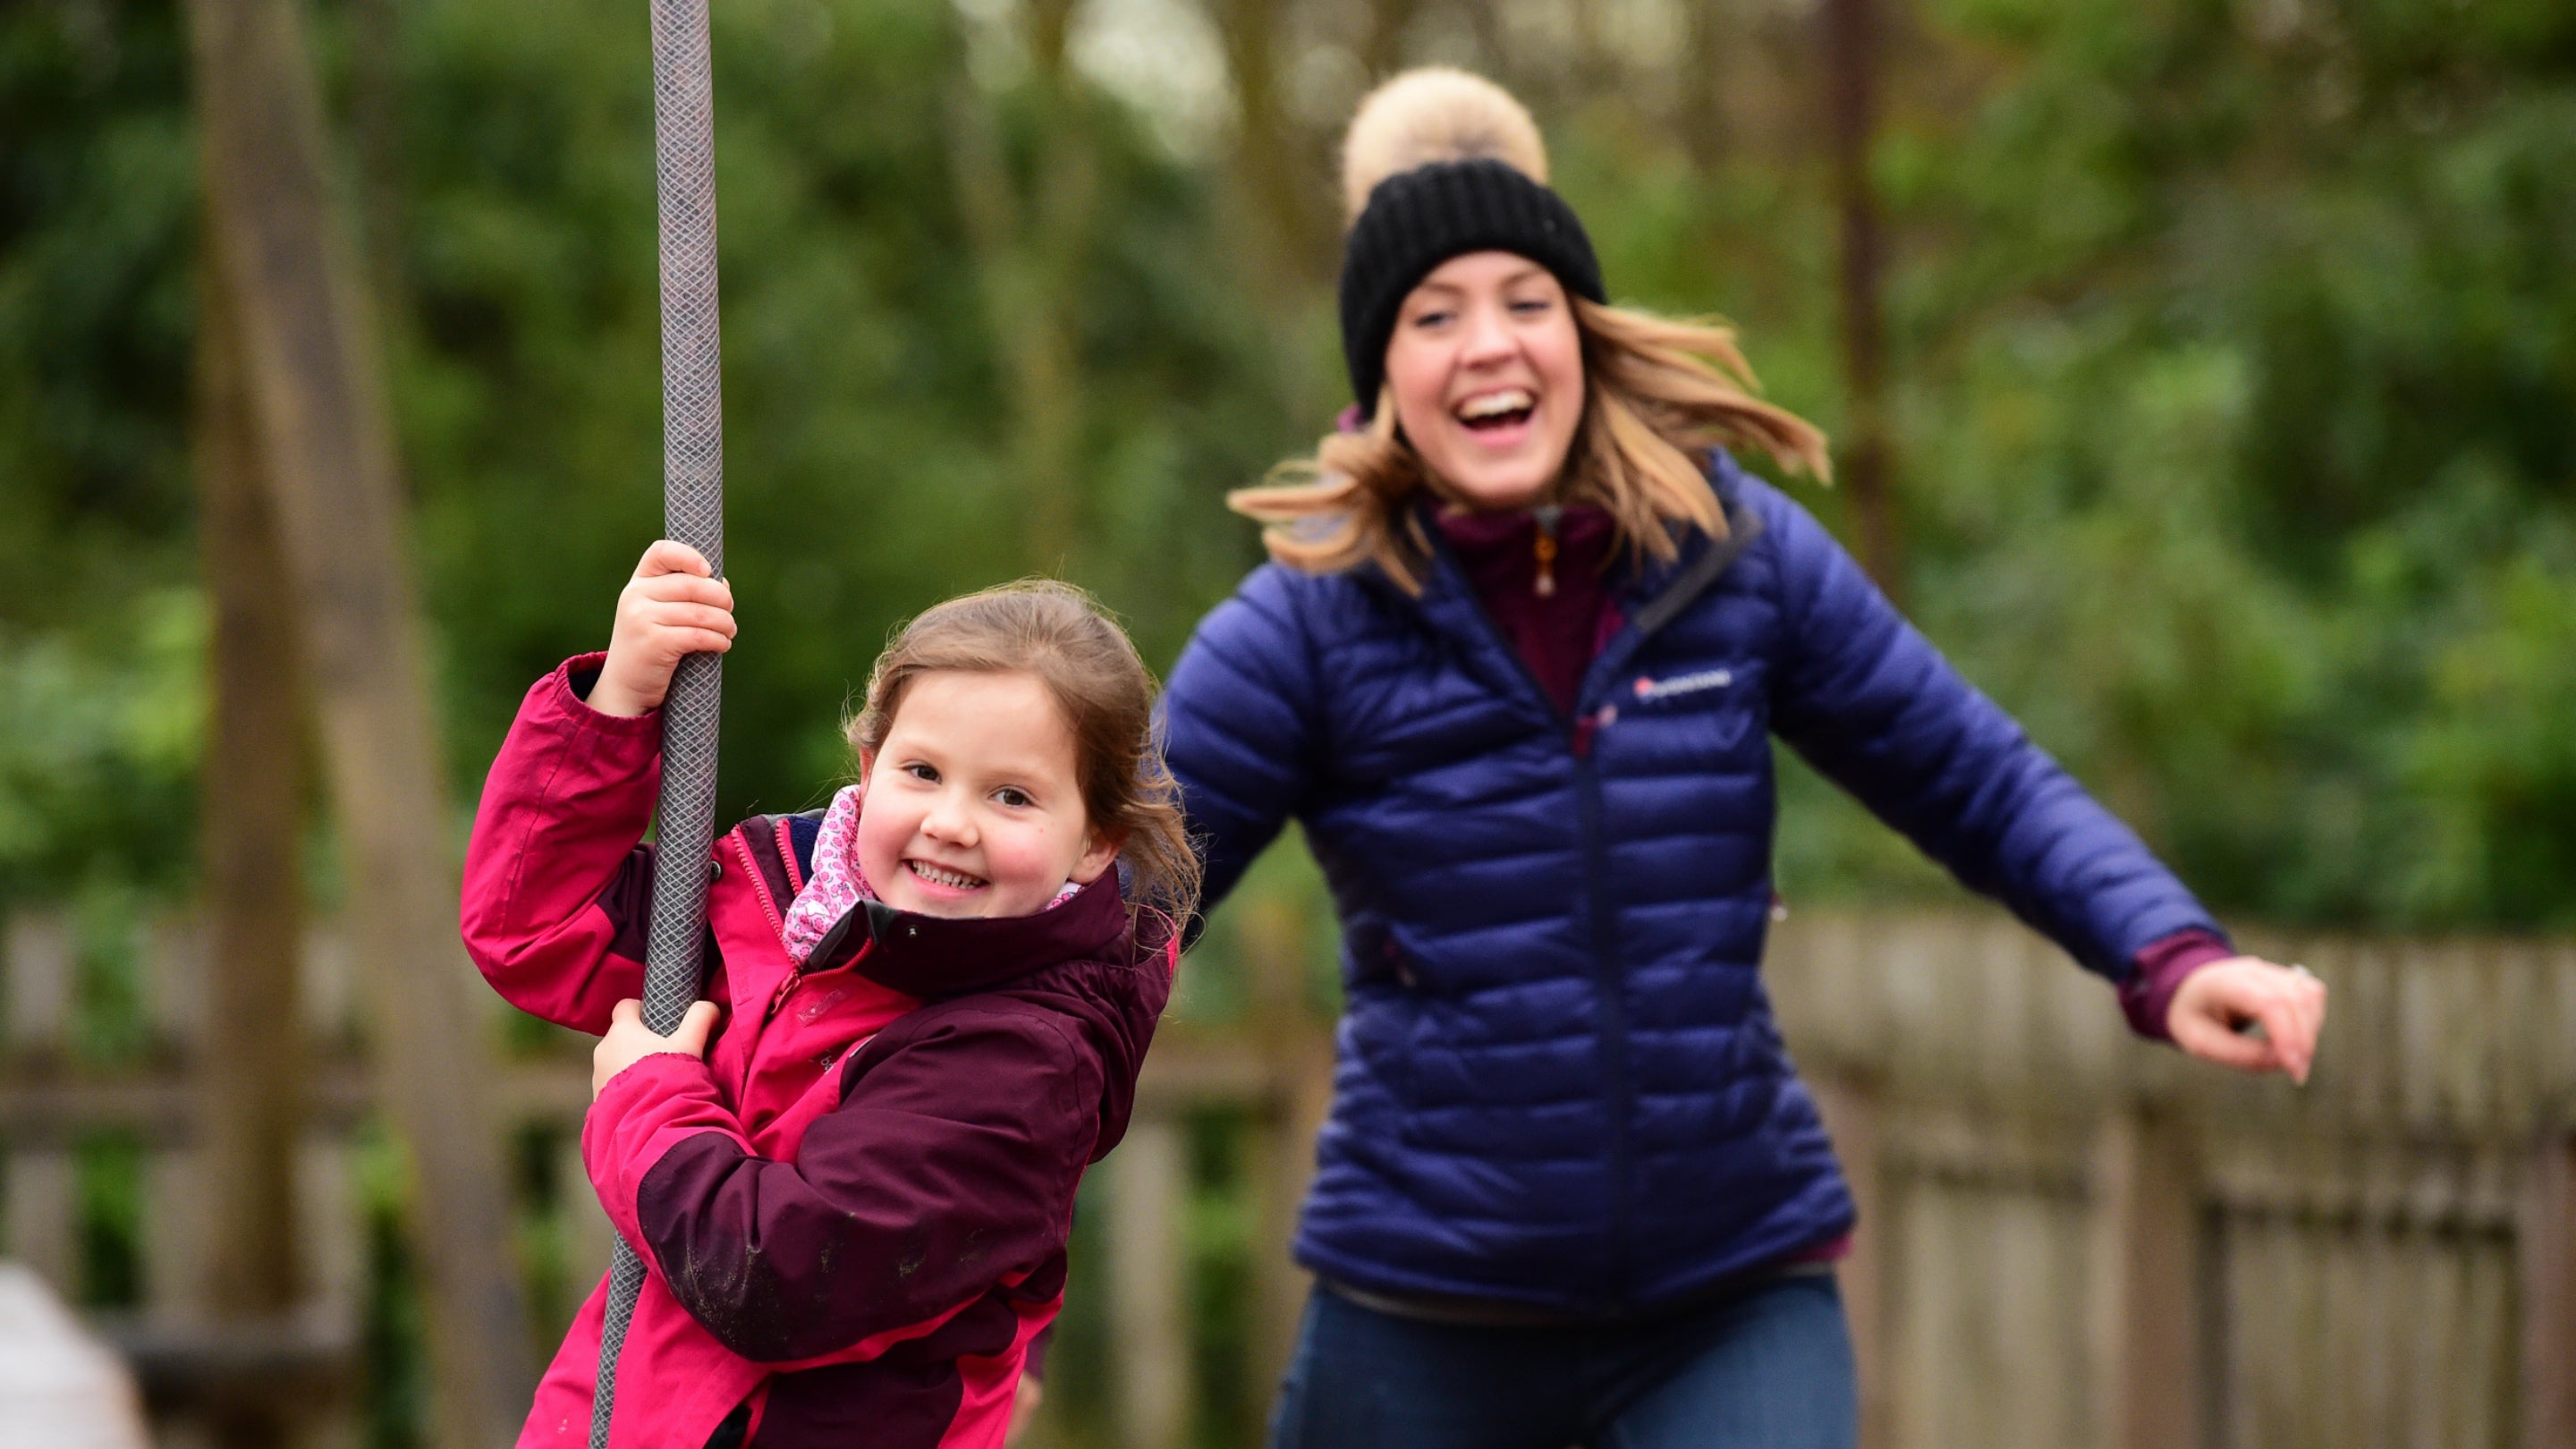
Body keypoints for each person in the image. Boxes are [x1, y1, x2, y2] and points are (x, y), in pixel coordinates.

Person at [1158, 68, 2327, 1449]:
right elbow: (1109, 913)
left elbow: (1978, 777)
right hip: (1427, 1315)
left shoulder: (1731, 559)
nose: (1490, 345)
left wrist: (2172, 952)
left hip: (1727, 1301)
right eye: (1434, 315)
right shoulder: (1307, 621)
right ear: (1381, 374)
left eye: (1529, 302)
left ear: (1581, 335)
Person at [461, 546, 1194, 1449]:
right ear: (870, 761)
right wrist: (618, 700)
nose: (950, 822)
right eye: (922, 772)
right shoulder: (771, 909)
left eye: (1011, 796)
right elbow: (533, 927)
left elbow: (777, 1281)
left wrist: (645, 1096)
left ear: (1094, 844)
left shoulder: (1024, 1063)